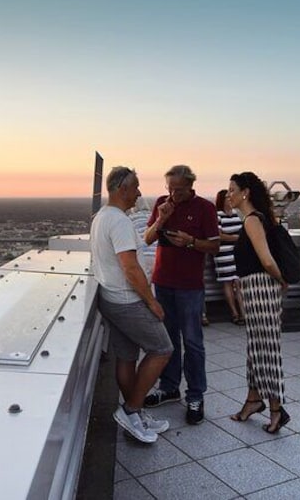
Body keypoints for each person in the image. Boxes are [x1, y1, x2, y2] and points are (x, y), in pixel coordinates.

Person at [90, 166, 173, 444]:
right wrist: (151, 302)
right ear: (120, 189)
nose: (139, 192)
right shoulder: (120, 222)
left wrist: (159, 221)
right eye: (135, 187)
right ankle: (130, 409)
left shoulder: (103, 217)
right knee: (162, 349)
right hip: (128, 300)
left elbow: (143, 241)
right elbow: (130, 267)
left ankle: (133, 413)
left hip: (111, 298)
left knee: (126, 356)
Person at [142, 165, 219, 425]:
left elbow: (215, 246)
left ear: (191, 185)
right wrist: (162, 219)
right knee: (168, 339)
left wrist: (190, 242)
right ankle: (169, 387)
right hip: (163, 282)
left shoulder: (205, 208)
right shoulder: (162, 204)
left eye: (179, 189)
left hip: (190, 286)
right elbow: (148, 238)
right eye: (170, 188)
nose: (174, 194)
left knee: (193, 342)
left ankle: (196, 395)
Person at [227, 172, 290, 434]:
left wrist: (281, 281)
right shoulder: (250, 221)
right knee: (256, 349)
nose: (228, 194)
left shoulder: (253, 220)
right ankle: (253, 399)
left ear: (246, 193)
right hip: (254, 290)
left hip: (262, 289)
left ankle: (277, 409)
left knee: (266, 351)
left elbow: (266, 260)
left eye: (232, 190)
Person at [213, 189, 244, 325]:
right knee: (228, 283)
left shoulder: (236, 215)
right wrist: (236, 238)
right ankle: (234, 313)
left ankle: (243, 313)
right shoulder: (218, 215)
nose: (229, 199)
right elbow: (218, 235)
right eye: (227, 197)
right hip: (223, 253)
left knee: (238, 282)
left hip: (236, 253)